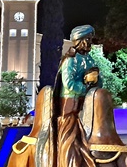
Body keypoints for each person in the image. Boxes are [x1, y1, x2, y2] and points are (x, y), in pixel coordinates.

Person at [53, 24, 100, 167]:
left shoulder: (90, 59)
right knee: (70, 134)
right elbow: (69, 83)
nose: (90, 42)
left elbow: (98, 79)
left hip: (86, 101)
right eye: (88, 39)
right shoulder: (70, 60)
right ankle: (67, 160)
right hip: (70, 103)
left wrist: (96, 81)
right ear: (80, 41)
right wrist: (85, 87)